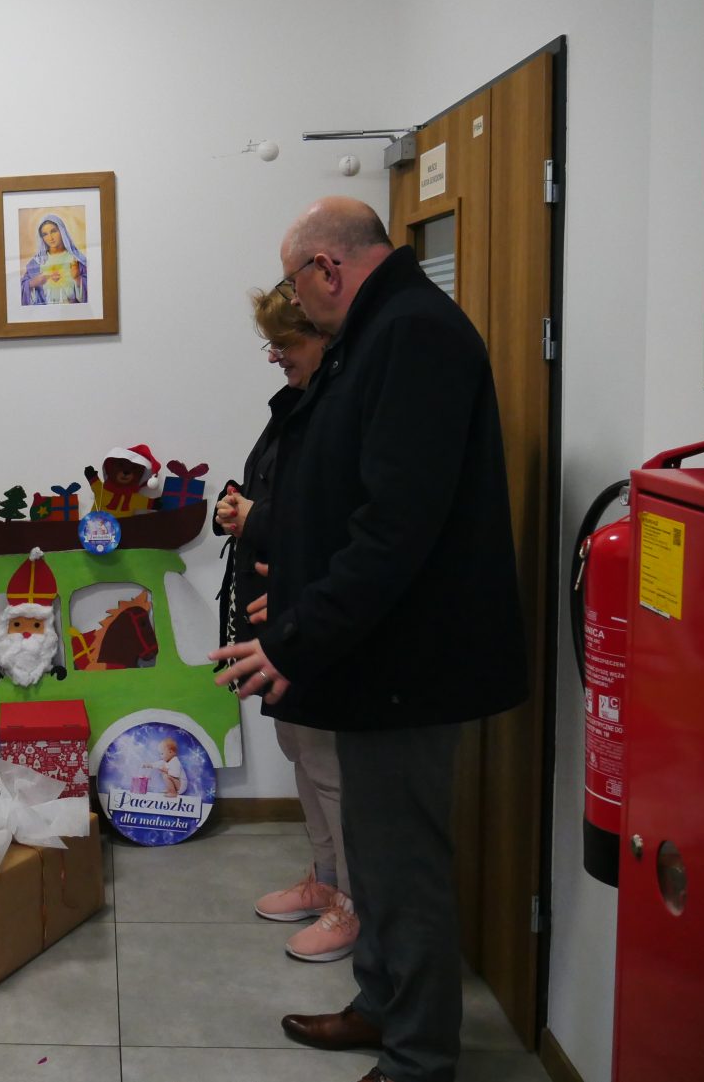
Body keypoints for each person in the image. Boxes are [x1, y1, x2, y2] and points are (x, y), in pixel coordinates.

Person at [210, 197, 527, 1082]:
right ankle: (382, 1004)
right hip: (375, 659)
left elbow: (393, 529)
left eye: (295, 284)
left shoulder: (414, 335)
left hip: (409, 663)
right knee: (377, 858)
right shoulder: (377, 332)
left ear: (327, 267)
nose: (295, 305)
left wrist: (296, 637)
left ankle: (419, 1058)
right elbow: (339, 491)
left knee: (403, 864)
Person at [213, 287, 355, 963]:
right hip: (280, 622)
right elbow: (283, 496)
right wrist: (237, 509)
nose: (274, 356)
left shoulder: (340, 409)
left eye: (284, 343)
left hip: (311, 621)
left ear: (324, 335)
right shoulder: (296, 406)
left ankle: (353, 900)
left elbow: (332, 518)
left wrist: (258, 519)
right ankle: (325, 879)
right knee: (302, 752)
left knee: (329, 766)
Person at [20, 214, 88, 305]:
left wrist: (77, 278)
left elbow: (94, 290)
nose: (50, 238)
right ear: (41, 237)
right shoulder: (37, 262)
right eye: (45, 234)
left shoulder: (76, 259)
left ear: (62, 231)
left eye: (53, 231)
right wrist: (32, 283)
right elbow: (20, 289)